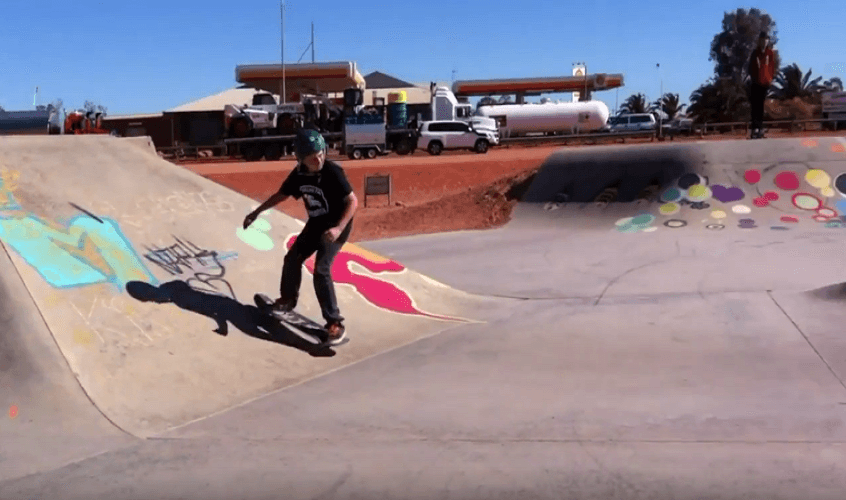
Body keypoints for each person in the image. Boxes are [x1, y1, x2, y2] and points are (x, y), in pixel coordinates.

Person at [243, 128, 358, 345]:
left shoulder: (333, 171)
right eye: (313, 158)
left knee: (321, 268)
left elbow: (353, 201)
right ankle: (287, 300)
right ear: (301, 159)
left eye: (322, 153)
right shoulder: (299, 175)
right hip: (316, 224)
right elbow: (281, 195)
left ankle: (335, 323)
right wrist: (256, 213)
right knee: (292, 258)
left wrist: (337, 228)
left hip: (336, 225)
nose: (319, 159)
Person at [748, 31, 776, 139]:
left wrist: (770, 78)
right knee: (755, 106)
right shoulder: (755, 53)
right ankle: (754, 128)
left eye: (766, 39)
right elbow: (750, 68)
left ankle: (760, 128)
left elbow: (772, 67)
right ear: (759, 41)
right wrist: (753, 78)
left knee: (761, 106)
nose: (764, 41)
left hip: (765, 83)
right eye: (762, 39)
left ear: (768, 41)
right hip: (755, 83)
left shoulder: (770, 53)